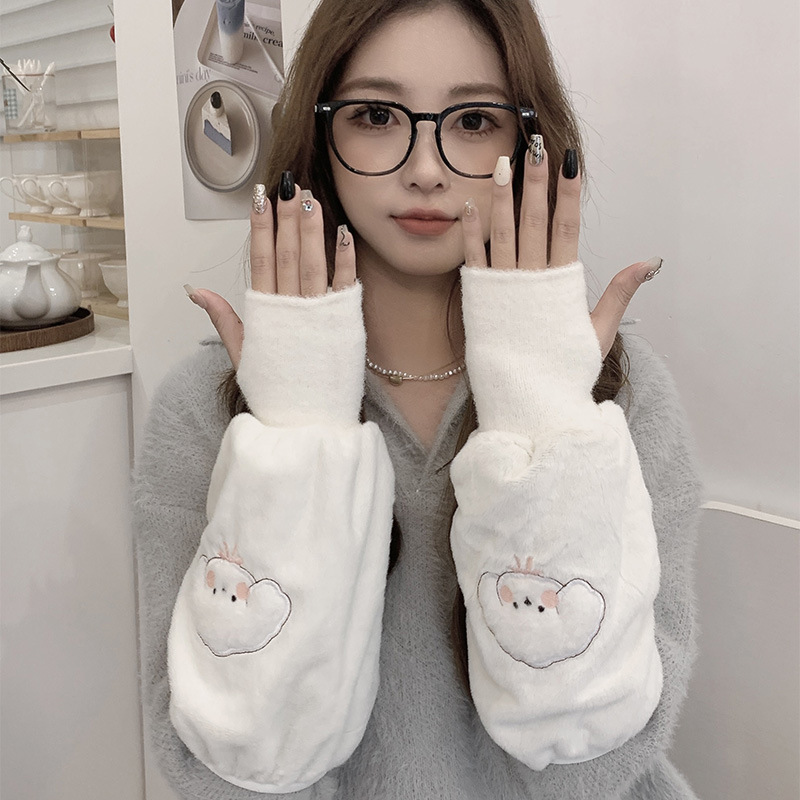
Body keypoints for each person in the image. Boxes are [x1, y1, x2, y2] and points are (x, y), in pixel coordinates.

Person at [132, 0, 704, 797]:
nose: (426, 169)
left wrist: (543, 420)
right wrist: (296, 449)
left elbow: (598, 765)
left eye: (473, 121)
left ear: (527, 140)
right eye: (376, 115)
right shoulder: (206, 409)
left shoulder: (618, 395)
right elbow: (222, 774)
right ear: (319, 134)